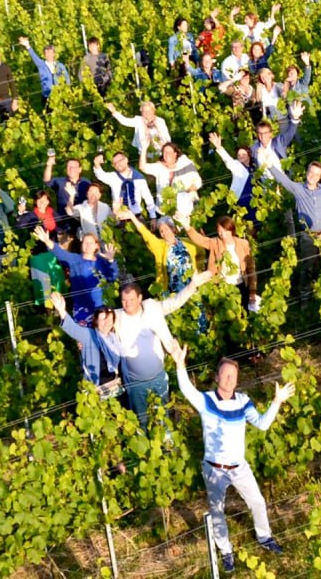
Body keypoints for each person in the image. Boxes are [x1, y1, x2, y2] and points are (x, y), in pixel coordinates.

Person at [173, 344, 294, 572]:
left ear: (237, 380)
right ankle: (226, 551)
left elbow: (262, 424)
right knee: (217, 510)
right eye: (225, 374)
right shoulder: (206, 401)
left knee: (258, 502)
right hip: (214, 469)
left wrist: (277, 401)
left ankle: (264, 537)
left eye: (233, 375)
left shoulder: (243, 401)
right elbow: (187, 389)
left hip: (239, 468)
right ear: (217, 377)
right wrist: (180, 365)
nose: (229, 379)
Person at [113, 272, 211, 426]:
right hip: (135, 383)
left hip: (158, 377)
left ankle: (166, 440)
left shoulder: (152, 308)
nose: (128, 304)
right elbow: (98, 327)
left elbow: (174, 302)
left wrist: (192, 285)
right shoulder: (116, 317)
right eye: (124, 300)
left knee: (163, 417)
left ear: (140, 298)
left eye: (131, 299)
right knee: (141, 420)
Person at [268, 160, 321, 304]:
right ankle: (305, 299)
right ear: (307, 172)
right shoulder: (298, 189)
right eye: (311, 172)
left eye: (317, 174)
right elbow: (284, 180)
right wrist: (269, 165)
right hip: (308, 237)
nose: (313, 176)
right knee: (307, 267)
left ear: (320, 177)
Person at [34, 227, 119, 324]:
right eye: (85, 242)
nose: (88, 245)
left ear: (97, 246)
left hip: (102, 307)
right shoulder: (75, 259)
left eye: (91, 243)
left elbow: (112, 277)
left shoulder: (102, 261)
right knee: (82, 333)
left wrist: (111, 260)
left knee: (104, 332)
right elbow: (60, 252)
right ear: (81, 245)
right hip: (82, 308)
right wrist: (47, 241)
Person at [48, 291, 119, 389]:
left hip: (116, 386)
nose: (106, 323)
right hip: (96, 389)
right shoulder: (89, 335)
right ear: (96, 321)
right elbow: (73, 329)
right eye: (103, 320)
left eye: (109, 320)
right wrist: (61, 310)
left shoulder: (114, 337)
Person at [187, 216, 259, 312]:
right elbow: (200, 240)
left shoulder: (243, 244)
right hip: (223, 288)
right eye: (219, 231)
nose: (222, 234)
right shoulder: (215, 243)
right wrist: (187, 227)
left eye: (224, 231)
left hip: (242, 287)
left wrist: (252, 292)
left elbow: (251, 269)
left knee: (243, 314)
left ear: (231, 230)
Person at [139, 142, 203, 226]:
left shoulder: (185, 164)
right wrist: (144, 148)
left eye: (169, 152)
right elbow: (142, 167)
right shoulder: (159, 167)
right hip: (164, 210)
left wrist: (187, 193)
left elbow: (198, 181)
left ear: (175, 154)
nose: (166, 154)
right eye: (164, 152)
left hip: (184, 210)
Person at [93, 151, 158, 224]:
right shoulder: (113, 177)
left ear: (126, 160)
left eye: (119, 161)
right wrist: (97, 164)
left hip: (136, 217)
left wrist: (153, 217)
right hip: (119, 218)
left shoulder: (139, 178)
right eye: (115, 163)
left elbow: (148, 198)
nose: (117, 164)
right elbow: (101, 175)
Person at [44, 153, 92, 236]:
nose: (71, 169)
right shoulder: (60, 182)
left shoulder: (86, 182)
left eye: (74, 167)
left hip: (83, 224)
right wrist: (49, 165)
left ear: (80, 169)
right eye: (69, 167)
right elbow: (47, 180)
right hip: (64, 225)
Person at [105, 100, 171, 161]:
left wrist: (166, 148)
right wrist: (114, 111)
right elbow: (125, 121)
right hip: (144, 154)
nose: (147, 113)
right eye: (144, 111)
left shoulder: (160, 121)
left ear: (153, 111)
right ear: (141, 113)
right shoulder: (138, 120)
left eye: (148, 111)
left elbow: (167, 137)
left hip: (160, 153)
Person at [17, 36, 71, 104]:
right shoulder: (41, 65)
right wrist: (28, 46)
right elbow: (34, 56)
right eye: (46, 53)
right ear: (44, 55)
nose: (48, 55)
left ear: (54, 54)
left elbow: (67, 77)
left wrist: (67, 90)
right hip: (47, 96)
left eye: (50, 53)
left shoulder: (60, 65)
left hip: (60, 95)